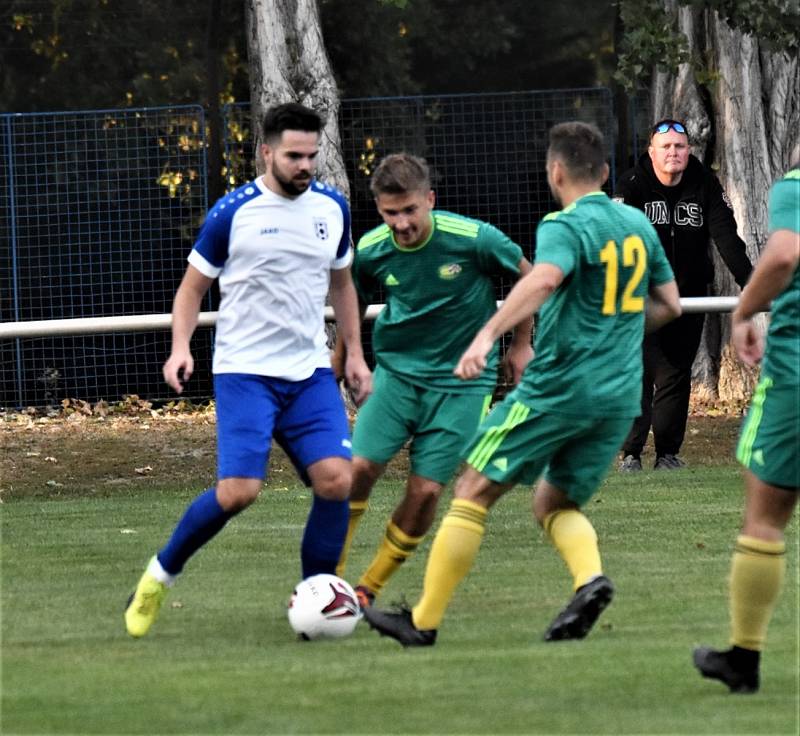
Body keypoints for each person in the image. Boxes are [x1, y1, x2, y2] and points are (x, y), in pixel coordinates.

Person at [362, 121, 681, 647]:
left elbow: (544, 277)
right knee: (553, 504)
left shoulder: (563, 224)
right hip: (620, 396)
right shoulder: (637, 225)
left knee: (470, 490)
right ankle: (589, 579)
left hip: (559, 388)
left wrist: (488, 334)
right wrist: (614, 326)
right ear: (603, 171)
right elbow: (668, 304)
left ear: (555, 172)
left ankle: (421, 622)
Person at [124, 102, 373, 638]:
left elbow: (343, 284)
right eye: (293, 155)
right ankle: (159, 574)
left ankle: (318, 602)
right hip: (245, 374)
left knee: (337, 481)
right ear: (266, 152)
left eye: (312, 155)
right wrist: (180, 347)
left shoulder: (332, 207)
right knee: (239, 491)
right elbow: (192, 289)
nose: (305, 165)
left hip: (308, 374)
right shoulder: (232, 212)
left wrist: (354, 352)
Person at [332, 152, 533, 608]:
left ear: (430, 200)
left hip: (462, 385)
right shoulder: (370, 249)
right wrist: (346, 356)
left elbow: (530, 277)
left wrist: (522, 344)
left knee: (424, 491)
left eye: (409, 211)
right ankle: (330, 579)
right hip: (396, 375)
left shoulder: (473, 238)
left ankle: (368, 589)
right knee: (357, 470)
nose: (401, 223)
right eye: (390, 213)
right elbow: (353, 300)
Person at [693, 162, 799, 694]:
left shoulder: (795, 188)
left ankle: (744, 657)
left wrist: (744, 312)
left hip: (796, 381)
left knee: (765, 516)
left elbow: (783, 254)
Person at [615, 119, 752, 471]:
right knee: (638, 371)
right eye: (666, 147)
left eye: (679, 146)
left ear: (688, 149)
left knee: (676, 372)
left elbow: (726, 235)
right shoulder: (632, 184)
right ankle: (630, 453)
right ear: (652, 152)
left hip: (688, 295)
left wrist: (750, 283)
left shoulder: (704, 182)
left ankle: (667, 454)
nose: (673, 153)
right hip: (640, 298)